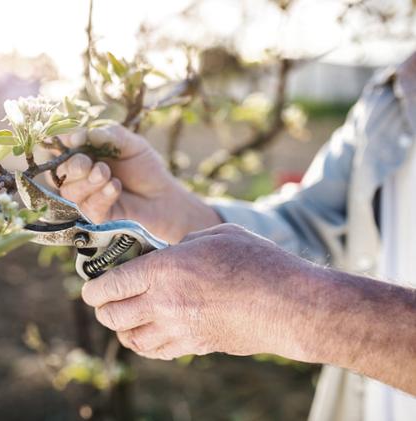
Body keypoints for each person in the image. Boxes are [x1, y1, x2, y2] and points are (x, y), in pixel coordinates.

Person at [54, 52, 416, 421]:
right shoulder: (394, 94)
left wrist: (300, 308)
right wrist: (172, 209)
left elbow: (300, 291)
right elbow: (313, 225)